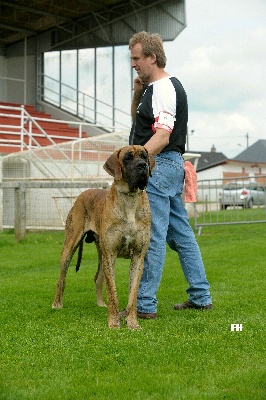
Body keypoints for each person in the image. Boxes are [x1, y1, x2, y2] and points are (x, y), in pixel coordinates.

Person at [129, 31, 213, 319]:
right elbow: (137, 124)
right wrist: (138, 93)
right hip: (169, 166)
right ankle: (201, 296)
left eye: (137, 58)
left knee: (153, 235)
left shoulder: (164, 88)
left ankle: (145, 304)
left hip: (160, 165)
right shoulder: (154, 89)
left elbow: (162, 136)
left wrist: (134, 164)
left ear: (152, 57)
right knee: (182, 235)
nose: (133, 64)